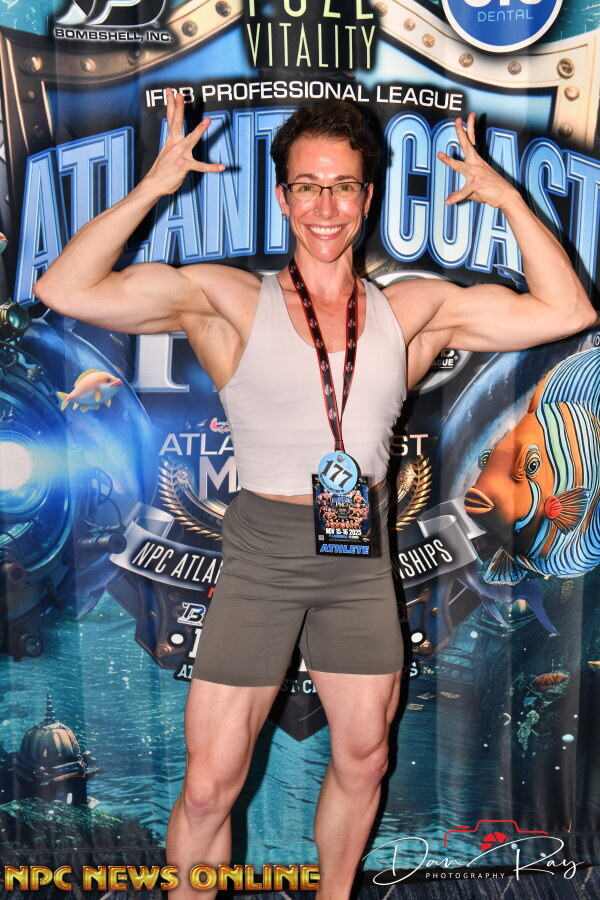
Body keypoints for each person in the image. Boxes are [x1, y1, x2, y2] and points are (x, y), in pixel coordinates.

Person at [34, 91, 596, 899]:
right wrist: (154, 186)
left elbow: (567, 309)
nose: (324, 206)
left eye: (341, 186)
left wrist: (504, 196)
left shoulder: (412, 310)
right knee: (209, 785)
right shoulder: (229, 300)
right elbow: (65, 287)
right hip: (260, 556)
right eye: (307, 186)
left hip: (358, 558)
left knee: (364, 760)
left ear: (367, 197)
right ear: (282, 196)